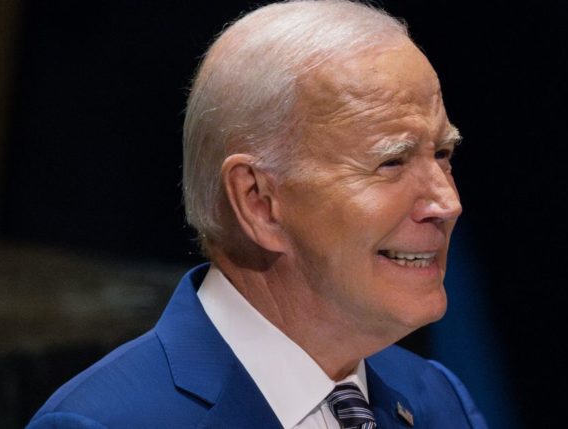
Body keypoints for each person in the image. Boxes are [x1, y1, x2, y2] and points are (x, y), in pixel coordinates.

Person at [28, 1, 487, 428]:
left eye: (443, 153)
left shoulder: (438, 399)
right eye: (392, 162)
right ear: (258, 202)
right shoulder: (106, 422)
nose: (447, 203)